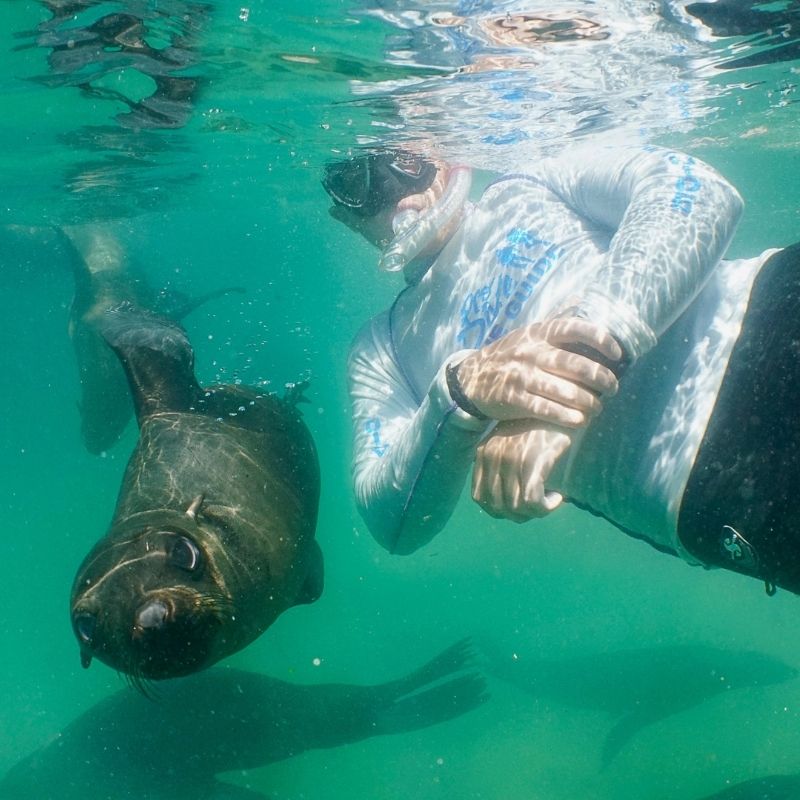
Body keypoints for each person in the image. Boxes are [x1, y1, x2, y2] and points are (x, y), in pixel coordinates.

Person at [322, 144, 800, 596]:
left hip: (777, 315)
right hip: (722, 492)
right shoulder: (381, 348)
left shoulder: (531, 176)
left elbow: (700, 189)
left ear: (444, 157)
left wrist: (570, 382)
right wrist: (459, 394)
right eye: (354, 182)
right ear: (344, 215)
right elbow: (394, 525)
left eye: (405, 161)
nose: (393, 190)